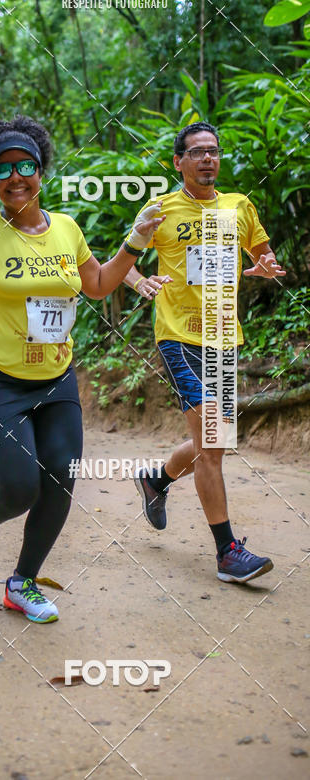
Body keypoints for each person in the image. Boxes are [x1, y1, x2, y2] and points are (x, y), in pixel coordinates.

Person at [0, 115, 163, 622]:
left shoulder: (67, 229)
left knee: (62, 478)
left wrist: (134, 242)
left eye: (24, 164)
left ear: (41, 170)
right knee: (22, 486)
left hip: (56, 377)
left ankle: (22, 583)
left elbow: (96, 285)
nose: (14, 176)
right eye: (2, 169)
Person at [124, 120, 285, 584]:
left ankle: (156, 479)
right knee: (214, 443)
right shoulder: (160, 210)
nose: (208, 158)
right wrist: (142, 282)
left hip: (222, 336)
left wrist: (265, 267)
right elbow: (121, 265)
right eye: (197, 152)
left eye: (213, 151)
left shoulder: (239, 206)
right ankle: (227, 553)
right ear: (179, 162)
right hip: (178, 335)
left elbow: (264, 255)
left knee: (211, 442)